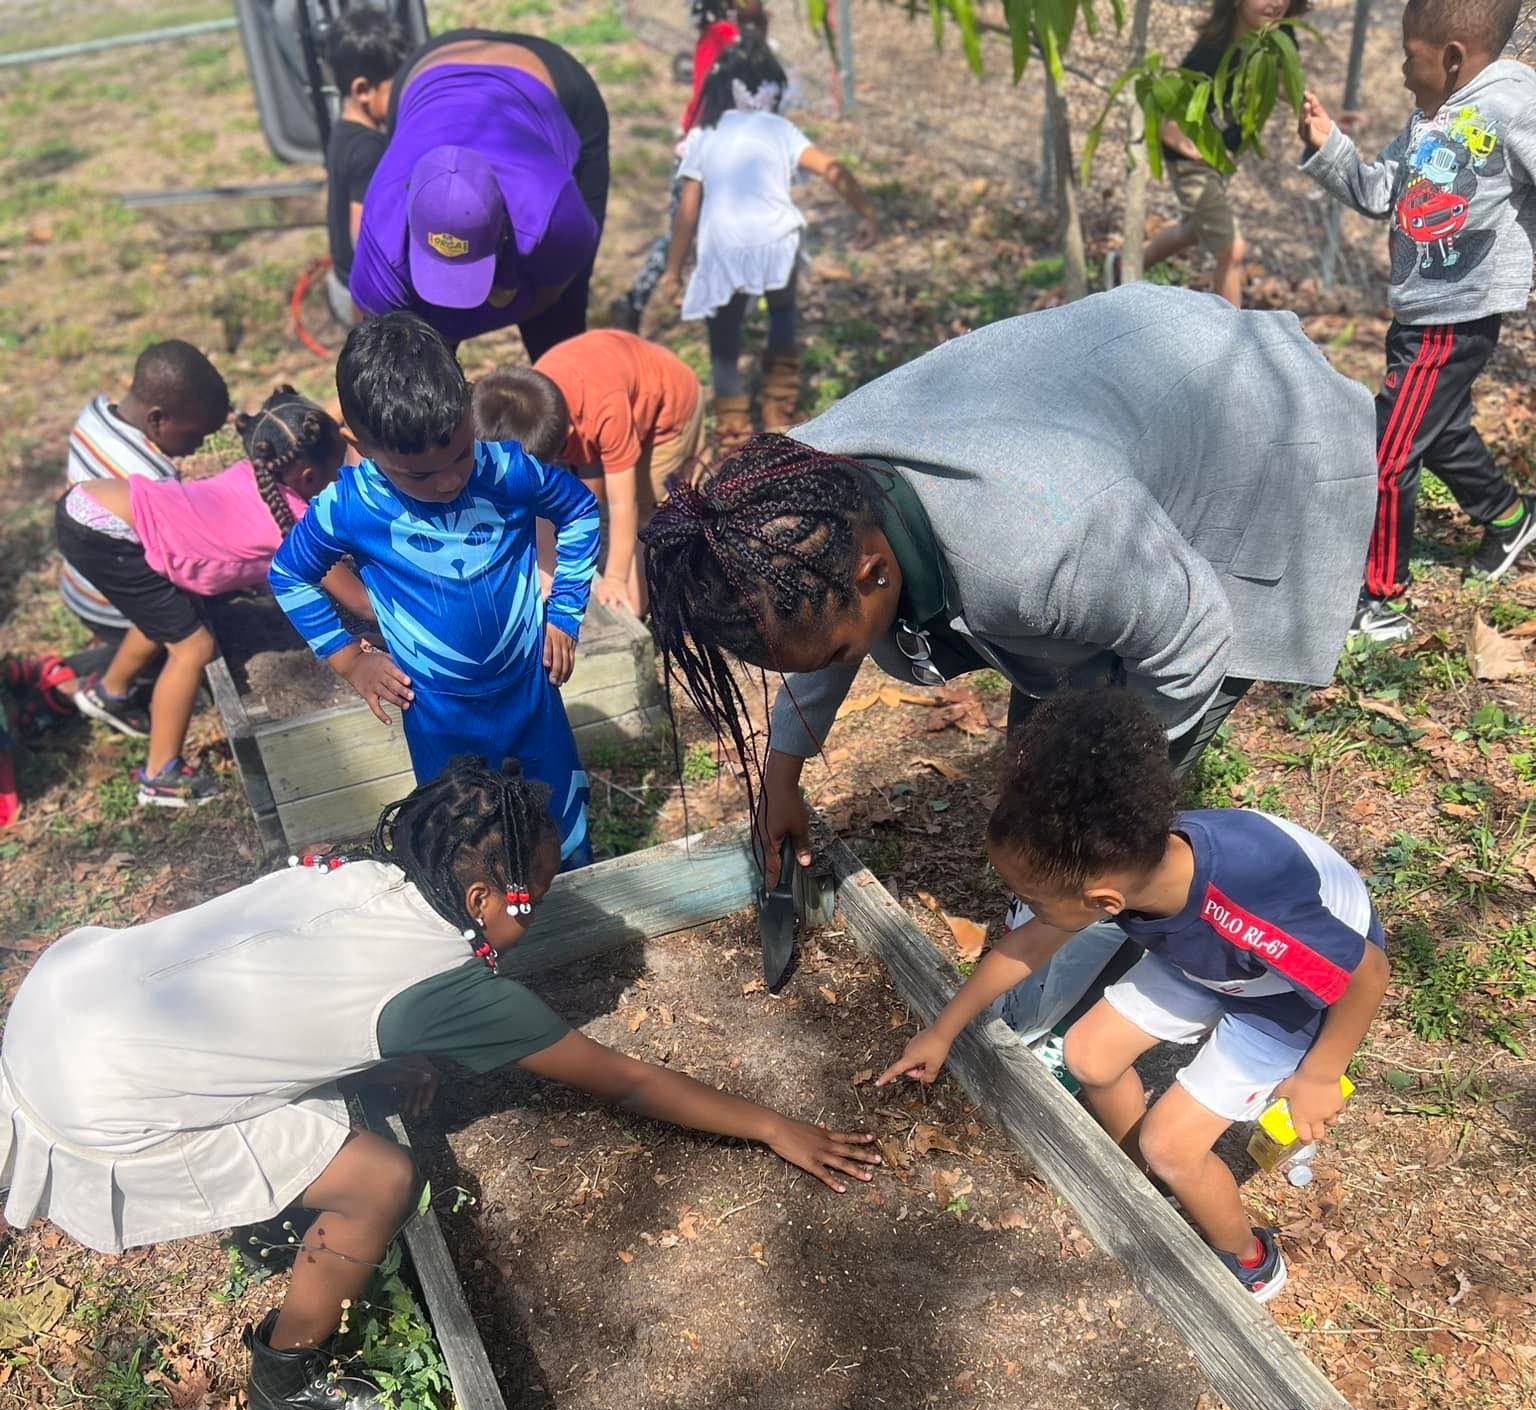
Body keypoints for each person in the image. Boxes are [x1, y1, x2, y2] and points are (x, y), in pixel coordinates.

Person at [0, 758, 880, 1410]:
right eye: (537, 893)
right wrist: (774, 1125)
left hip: (63, 1001)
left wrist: (375, 1071)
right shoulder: (450, 991)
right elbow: (627, 1079)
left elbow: (284, 991)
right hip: (95, 1098)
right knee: (381, 1178)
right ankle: (287, 1380)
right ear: (481, 899)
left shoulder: (359, 875)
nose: (544, 905)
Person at [641, 287, 1378, 1038]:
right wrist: (781, 782)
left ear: (873, 572)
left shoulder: (1042, 553)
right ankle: (1046, 927)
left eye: (840, 650)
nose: (836, 661)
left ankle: (1042, 1018)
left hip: (1247, 431)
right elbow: (813, 636)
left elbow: (1191, 640)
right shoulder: (790, 515)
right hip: (1109, 422)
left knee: (1093, 841)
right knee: (1053, 735)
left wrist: (1089, 819)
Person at [878, 691, 1389, 1304]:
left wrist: (1322, 1074)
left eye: (1034, 901)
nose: (1027, 914)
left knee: (1173, 1144)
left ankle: (1250, 1257)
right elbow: (1029, 945)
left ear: (1103, 904)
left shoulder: (1247, 909)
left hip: (1288, 990)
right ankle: (1148, 1179)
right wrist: (944, 1028)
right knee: (1090, 1055)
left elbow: (1364, 972)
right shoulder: (1131, 863)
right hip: (1205, 954)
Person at [269, 313, 602, 867]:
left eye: (459, 456)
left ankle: (576, 921)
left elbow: (582, 512)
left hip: (532, 693)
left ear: (469, 410)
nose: (448, 481)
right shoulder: (348, 509)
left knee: (560, 825)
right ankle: (492, 936)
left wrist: (564, 613)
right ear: (360, 444)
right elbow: (289, 575)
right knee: (464, 840)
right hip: (437, 716)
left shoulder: (507, 470)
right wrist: (352, 660)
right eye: (420, 476)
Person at [1300, 0, 1536, 643]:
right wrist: (1329, 150)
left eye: (1410, 56)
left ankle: (1380, 599)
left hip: (1456, 318)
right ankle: (1511, 520)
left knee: (1386, 453)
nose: (1403, 71)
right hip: (1420, 313)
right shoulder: (1429, 119)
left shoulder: (1513, 106)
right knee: (1441, 431)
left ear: (1453, 57)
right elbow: (1381, 192)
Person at [53, 388, 366, 809]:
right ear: (309, 479)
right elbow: (362, 603)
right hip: (108, 532)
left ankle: (110, 691)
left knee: (175, 611)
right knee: (193, 646)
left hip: (96, 505)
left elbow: (313, 425)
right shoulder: (293, 521)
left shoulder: (264, 465)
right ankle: (159, 776)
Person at [648, 34, 876, 453]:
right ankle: (779, 411)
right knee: (784, 314)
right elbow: (831, 167)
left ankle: (734, 430)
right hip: (778, 240)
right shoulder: (780, 129)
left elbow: (688, 211)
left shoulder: (704, 136)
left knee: (725, 336)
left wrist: (672, 270)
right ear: (770, 90)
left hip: (724, 249)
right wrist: (867, 212)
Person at [348, 27, 608, 357]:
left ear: (502, 230)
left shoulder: (550, 214)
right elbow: (367, 345)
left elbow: (558, 283)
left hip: (550, 80)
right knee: (416, 355)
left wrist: (459, 325)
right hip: (427, 72)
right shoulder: (383, 232)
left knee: (557, 336)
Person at [472, 333, 704, 614]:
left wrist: (615, 579)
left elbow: (622, 504)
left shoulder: (606, 413)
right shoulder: (532, 403)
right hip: (609, 391)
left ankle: (638, 611)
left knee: (647, 514)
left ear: (569, 434)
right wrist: (547, 573)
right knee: (576, 502)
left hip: (667, 411)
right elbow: (537, 498)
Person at [1119, 0, 1307, 308]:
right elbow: (1168, 125)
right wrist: (1204, 154)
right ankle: (1230, 341)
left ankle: (1121, 265)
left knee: (1195, 229)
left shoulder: (1281, 37)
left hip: (1221, 156)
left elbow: (1287, 86)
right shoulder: (1210, 51)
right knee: (1231, 250)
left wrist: (1320, 113)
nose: (1276, 2)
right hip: (1190, 157)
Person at [59, 340, 230, 644]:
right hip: (120, 611)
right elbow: (182, 558)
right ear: (157, 419)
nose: (199, 445)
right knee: (204, 635)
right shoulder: (152, 479)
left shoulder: (92, 416)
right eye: (195, 435)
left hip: (78, 586)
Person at [611, 0, 768, 331]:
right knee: (687, 227)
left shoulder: (714, 34)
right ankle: (648, 299)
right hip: (707, 148)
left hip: (702, 145)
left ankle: (644, 299)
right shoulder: (727, 35)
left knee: (685, 229)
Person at [324, 6, 412, 328]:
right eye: (396, 86)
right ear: (362, 90)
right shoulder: (368, 149)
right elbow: (363, 235)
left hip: (341, 280)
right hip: (364, 296)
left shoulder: (344, 132)